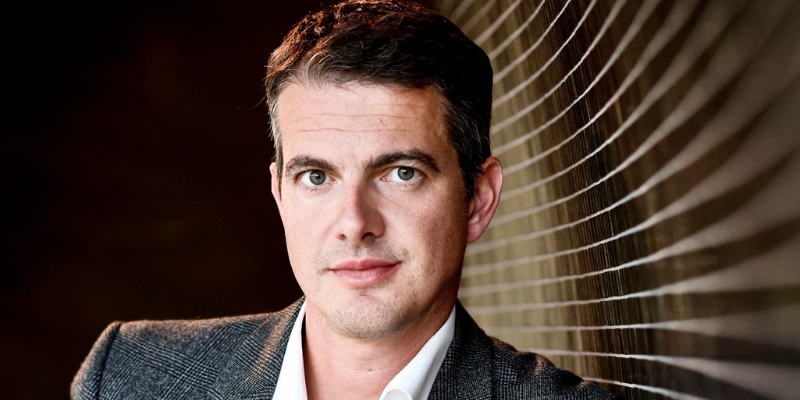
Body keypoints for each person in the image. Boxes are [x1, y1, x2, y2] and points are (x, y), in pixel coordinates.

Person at [71, 1, 614, 399]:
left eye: (402, 173)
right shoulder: (128, 378)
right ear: (279, 195)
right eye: (315, 177)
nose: (355, 223)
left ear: (478, 199)